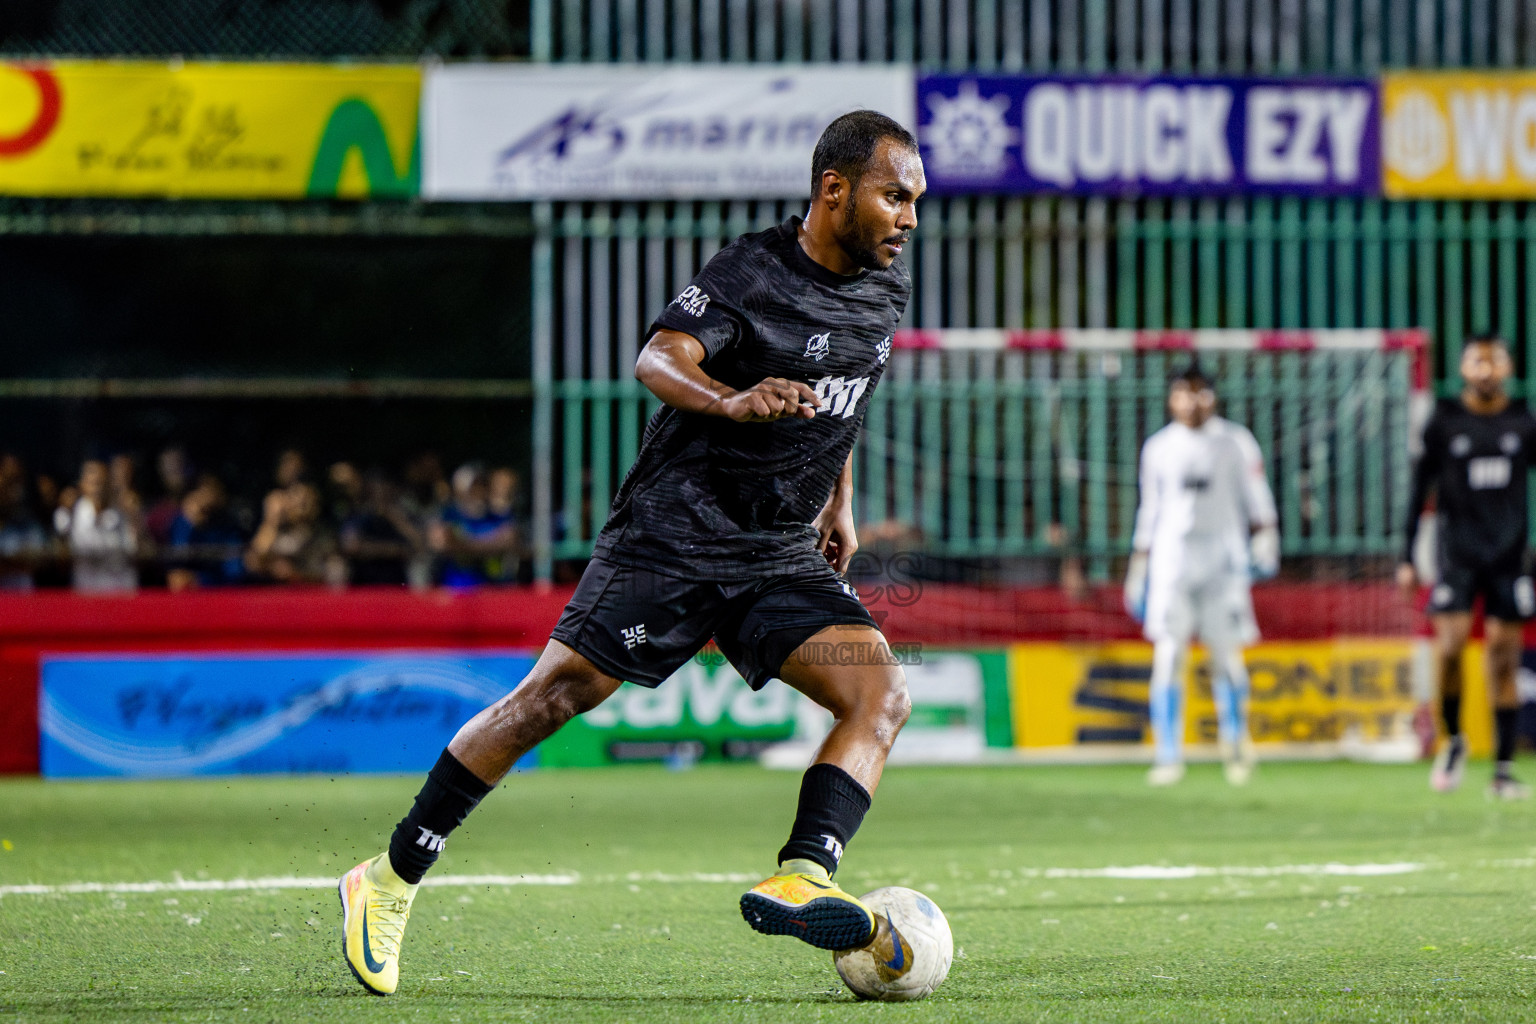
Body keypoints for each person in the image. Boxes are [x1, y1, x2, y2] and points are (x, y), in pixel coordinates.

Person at [337, 110, 924, 996]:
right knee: (557, 696)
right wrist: (729, 401)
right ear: (834, 191)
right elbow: (658, 358)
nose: (910, 217)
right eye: (895, 195)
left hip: (776, 551)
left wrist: (841, 499)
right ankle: (385, 879)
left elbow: (850, 400)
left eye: (916, 199)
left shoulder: (886, 292)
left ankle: (805, 872)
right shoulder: (750, 272)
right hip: (676, 532)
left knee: (880, 694)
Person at [1124, 364, 1279, 787]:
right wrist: (1139, 565)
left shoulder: (1235, 442)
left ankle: (1235, 744)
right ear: (1171, 399)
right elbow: (1150, 508)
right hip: (1172, 561)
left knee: (1226, 656)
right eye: (1182, 394)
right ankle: (1168, 754)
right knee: (1169, 654)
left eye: (1199, 393)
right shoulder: (1158, 447)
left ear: (1212, 397)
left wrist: (1266, 537)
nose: (1191, 402)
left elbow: (1257, 496)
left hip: (1223, 560)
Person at [1398, 334, 1536, 800]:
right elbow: (1419, 489)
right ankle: (1454, 739)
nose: (1486, 369)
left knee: (1503, 657)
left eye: (1494, 360)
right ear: (1462, 368)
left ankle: (1501, 769)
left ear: (1507, 367)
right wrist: (1406, 555)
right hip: (1456, 556)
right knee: (1451, 648)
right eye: (1477, 360)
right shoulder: (1444, 420)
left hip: (1508, 558)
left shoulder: (1522, 419)